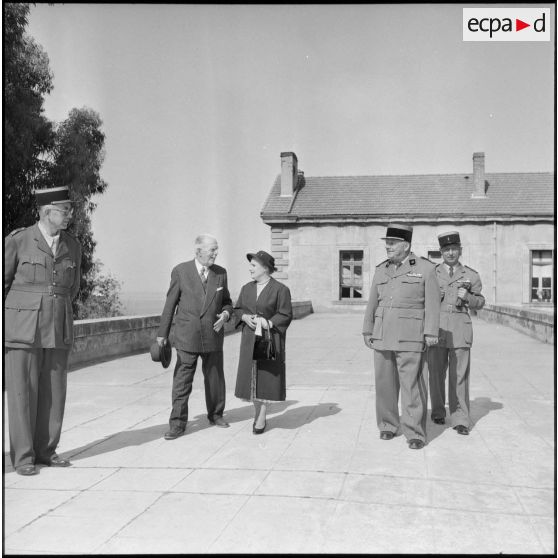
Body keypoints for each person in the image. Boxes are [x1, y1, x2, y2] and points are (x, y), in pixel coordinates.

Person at [4, 186, 82, 475]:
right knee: (23, 393)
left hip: (56, 326)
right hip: (22, 328)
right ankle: (24, 458)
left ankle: (46, 451)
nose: (69, 216)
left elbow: (71, 289)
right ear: (47, 212)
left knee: (54, 392)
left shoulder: (72, 246)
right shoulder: (19, 241)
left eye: (70, 210)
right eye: (65, 211)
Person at [362, 223, 440, 450]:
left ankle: (414, 432)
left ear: (406, 246)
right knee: (384, 384)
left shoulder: (425, 269)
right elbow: (372, 303)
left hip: (411, 336)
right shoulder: (381, 269)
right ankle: (387, 425)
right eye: (387, 242)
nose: (388, 246)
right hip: (383, 334)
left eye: (393, 243)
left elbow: (433, 305)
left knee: (412, 386)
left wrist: (431, 332)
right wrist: (367, 329)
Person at [157, 234, 233, 439]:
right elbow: (169, 305)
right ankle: (177, 424)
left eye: (217, 249)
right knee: (182, 382)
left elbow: (227, 302)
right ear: (198, 251)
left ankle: (216, 415)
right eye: (212, 250)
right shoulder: (181, 271)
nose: (216, 253)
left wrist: (226, 314)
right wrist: (161, 335)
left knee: (215, 379)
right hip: (187, 337)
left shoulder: (221, 273)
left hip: (213, 335)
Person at [428, 231, 485, 435]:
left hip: (460, 329)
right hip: (437, 327)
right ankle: (437, 411)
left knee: (459, 376)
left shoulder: (471, 275)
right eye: (446, 249)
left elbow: (480, 303)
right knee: (435, 373)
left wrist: (469, 296)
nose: (450, 253)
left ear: (460, 250)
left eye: (454, 249)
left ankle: (460, 418)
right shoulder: (432, 274)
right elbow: (421, 301)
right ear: (441, 252)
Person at [234, 251, 292, 434]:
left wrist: (269, 322)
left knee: (266, 377)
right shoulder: (246, 288)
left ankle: (261, 415)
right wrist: (243, 316)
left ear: (265, 268)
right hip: (249, 339)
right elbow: (238, 309)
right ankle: (257, 411)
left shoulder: (281, 289)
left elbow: (285, 314)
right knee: (251, 377)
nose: (249, 268)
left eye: (253, 265)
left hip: (269, 339)